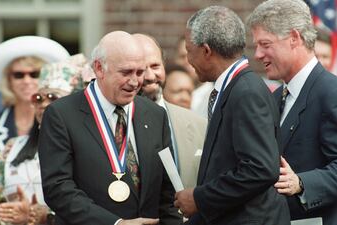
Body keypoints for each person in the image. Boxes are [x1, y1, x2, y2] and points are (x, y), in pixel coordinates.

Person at [38, 31, 182, 225]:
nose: (134, 82)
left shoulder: (155, 115)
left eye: (139, 72)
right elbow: (58, 189)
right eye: (126, 72)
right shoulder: (61, 115)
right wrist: (116, 223)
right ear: (99, 68)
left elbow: (167, 192)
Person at [247, 1, 337, 225]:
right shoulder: (276, 98)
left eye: (265, 44)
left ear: (294, 38)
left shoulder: (334, 94)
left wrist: (302, 183)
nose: (257, 54)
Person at [174, 6, 290, 225]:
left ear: (207, 51)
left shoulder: (246, 93)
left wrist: (200, 198)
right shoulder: (235, 87)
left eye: (189, 51)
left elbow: (260, 169)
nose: (187, 60)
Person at [0, 54, 87, 225]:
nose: (44, 104)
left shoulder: (92, 149)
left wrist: (44, 216)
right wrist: (6, 212)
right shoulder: (11, 150)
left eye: (53, 97)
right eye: (38, 98)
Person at [133, 33, 206, 189]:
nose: (150, 76)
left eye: (155, 66)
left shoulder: (200, 125)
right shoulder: (111, 123)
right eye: (140, 69)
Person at [0, 36, 69, 157]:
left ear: (46, 78)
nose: (27, 81)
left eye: (34, 74)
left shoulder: (62, 121)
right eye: (19, 75)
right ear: (9, 81)